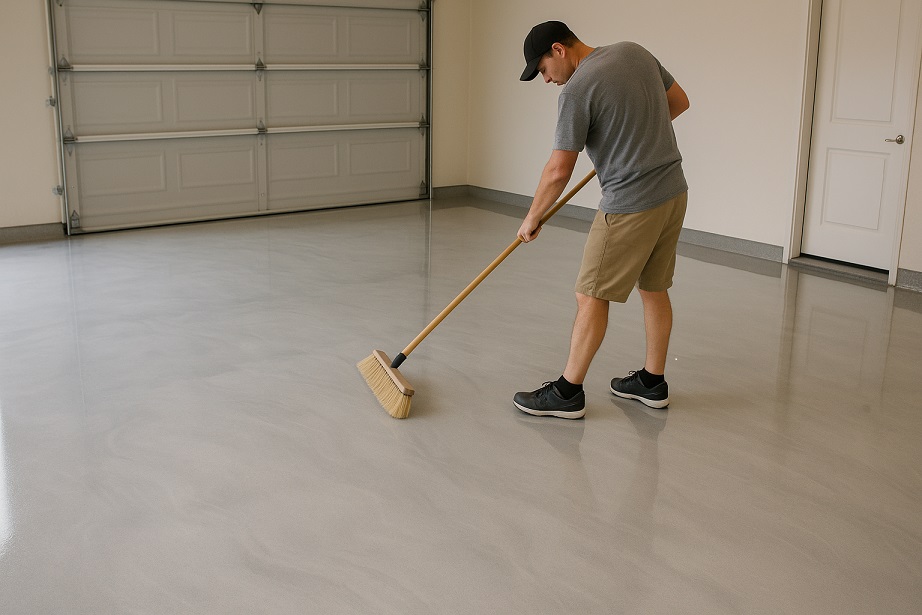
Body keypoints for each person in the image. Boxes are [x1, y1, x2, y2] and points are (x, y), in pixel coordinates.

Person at [512, 21, 689, 419]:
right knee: (654, 288)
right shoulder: (634, 51)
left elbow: (559, 170)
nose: (545, 80)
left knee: (590, 295)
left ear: (559, 50)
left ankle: (567, 392)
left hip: (630, 205)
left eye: (542, 69)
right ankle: (652, 381)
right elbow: (679, 102)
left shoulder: (577, 90)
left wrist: (531, 217)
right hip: (673, 192)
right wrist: (635, 138)